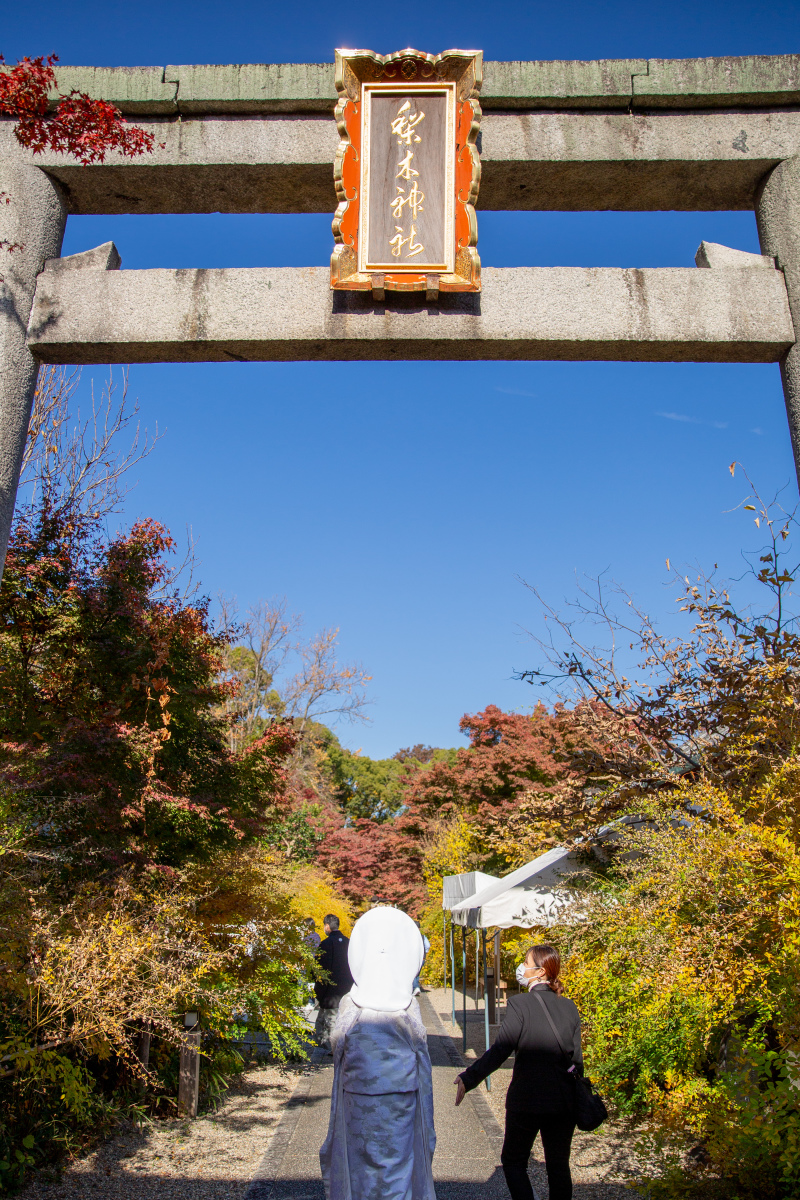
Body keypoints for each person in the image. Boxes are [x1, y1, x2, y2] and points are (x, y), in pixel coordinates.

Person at [320, 906, 436, 1200]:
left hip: (358, 1092)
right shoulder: (406, 1002)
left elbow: (339, 1041)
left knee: (361, 1163)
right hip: (401, 1093)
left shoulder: (354, 1001)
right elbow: (420, 1045)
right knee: (398, 1161)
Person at [454, 943, 582, 1200]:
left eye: (526, 963)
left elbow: (501, 1050)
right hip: (563, 1101)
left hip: (527, 1099)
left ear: (541, 971)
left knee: (513, 1161)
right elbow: (576, 1060)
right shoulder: (569, 1007)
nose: (521, 968)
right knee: (558, 1166)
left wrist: (469, 1078)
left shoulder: (519, 1004)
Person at [315, 914, 354, 1048]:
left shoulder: (325, 944)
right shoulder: (349, 943)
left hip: (330, 993)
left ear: (327, 926)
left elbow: (319, 969)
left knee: (328, 1024)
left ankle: (332, 1049)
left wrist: (319, 991)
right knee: (344, 1022)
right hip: (348, 990)